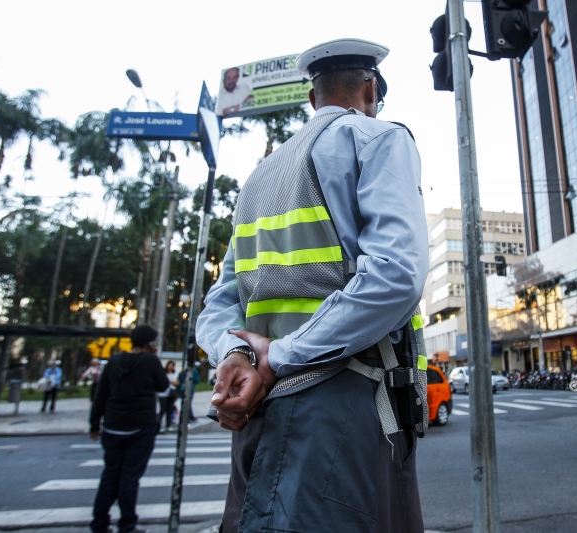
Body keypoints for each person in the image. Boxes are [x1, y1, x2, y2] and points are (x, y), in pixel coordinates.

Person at [197, 38, 428, 533]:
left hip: (257, 414)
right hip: (340, 411)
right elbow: (395, 275)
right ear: (370, 89)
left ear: (311, 100)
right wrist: (277, 357)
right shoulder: (377, 138)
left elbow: (219, 304)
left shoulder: (257, 179)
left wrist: (235, 356)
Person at [89, 325, 169, 533]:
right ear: (150, 343)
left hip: (113, 425)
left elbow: (101, 394)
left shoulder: (114, 361)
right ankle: (127, 523)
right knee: (130, 477)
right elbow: (164, 387)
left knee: (110, 475)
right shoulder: (151, 361)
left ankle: (99, 523)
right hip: (140, 426)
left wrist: (94, 424)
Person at [157, 361, 179, 432]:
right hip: (163, 394)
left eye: (172, 366)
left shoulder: (174, 374)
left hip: (171, 394)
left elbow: (177, 383)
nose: (170, 367)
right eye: (169, 365)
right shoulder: (163, 374)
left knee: (169, 409)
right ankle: (159, 425)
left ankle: (168, 424)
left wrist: (172, 382)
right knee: (162, 410)